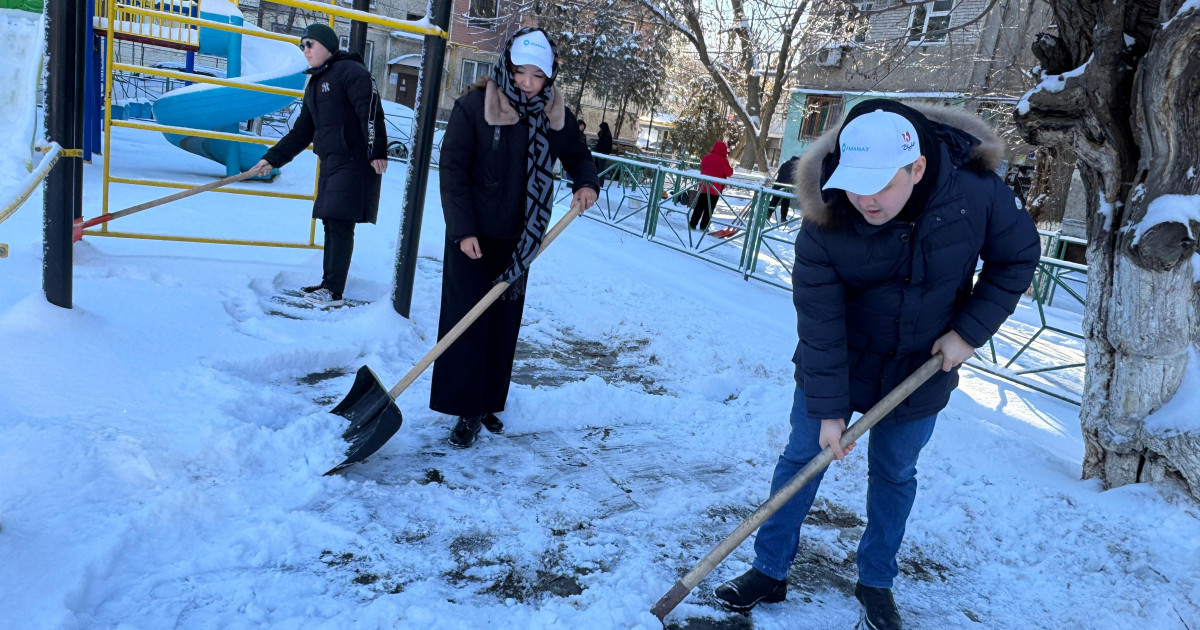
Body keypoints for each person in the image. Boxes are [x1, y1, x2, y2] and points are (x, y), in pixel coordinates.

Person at [713, 100, 1039, 629]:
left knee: (894, 473)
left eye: (881, 185)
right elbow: (820, 320)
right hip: (840, 358)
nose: (866, 200)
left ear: (917, 168)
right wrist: (829, 411)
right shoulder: (827, 214)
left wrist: (969, 332)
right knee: (802, 458)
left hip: (923, 365)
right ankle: (769, 569)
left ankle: (876, 581)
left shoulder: (976, 194)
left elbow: (1017, 257)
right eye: (856, 183)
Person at [431, 27, 599, 448]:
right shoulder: (476, 105)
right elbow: (452, 169)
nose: (527, 82)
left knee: (503, 324)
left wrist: (586, 182)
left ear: (549, 76)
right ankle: (465, 409)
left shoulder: (554, 114)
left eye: (537, 75)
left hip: (520, 241)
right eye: (521, 72)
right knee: (467, 323)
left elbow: (578, 153)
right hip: (474, 237)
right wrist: (463, 230)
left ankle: (488, 401)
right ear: (508, 66)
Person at [251, 23, 387, 307]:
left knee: (340, 220)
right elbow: (302, 130)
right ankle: (328, 284)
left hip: (353, 160)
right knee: (329, 220)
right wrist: (272, 158)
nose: (305, 50)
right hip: (330, 159)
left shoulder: (352, 72)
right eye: (302, 45)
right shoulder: (315, 82)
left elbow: (371, 111)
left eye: (310, 44)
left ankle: (334, 291)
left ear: (327, 45)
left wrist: (377, 150)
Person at [690, 141, 734, 230]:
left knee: (699, 206)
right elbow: (729, 173)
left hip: (703, 187)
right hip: (715, 189)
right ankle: (704, 226)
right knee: (709, 209)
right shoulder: (723, 161)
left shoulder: (706, 158)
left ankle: (693, 224)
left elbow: (702, 167)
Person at [766, 154, 799, 222]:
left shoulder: (785, 164)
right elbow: (794, 177)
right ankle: (783, 218)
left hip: (778, 184)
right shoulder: (795, 167)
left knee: (774, 201)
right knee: (785, 203)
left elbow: (780, 172)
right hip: (786, 186)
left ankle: (767, 215)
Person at [594, 121, 614, 186]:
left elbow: (605, 146)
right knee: (599, 168)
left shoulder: (607, 135)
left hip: (603, 154)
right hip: (600, 154)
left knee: (601, 169)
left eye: (601, 128)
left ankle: (600, 183)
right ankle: (597, 181)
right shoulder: (604, 133)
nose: (601, 129)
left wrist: (602, 151)